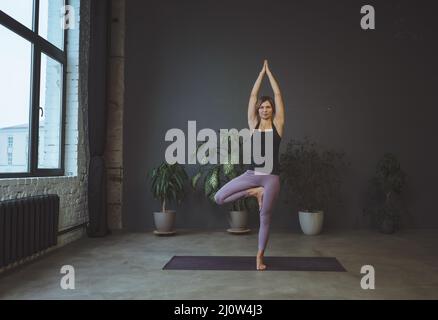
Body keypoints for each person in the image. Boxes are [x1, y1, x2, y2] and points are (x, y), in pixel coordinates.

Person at [214, 60, 285, 270]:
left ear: (273, 110)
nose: (264, 109)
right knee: (219, 198)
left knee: (265, 217)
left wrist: (270, 73)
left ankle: (259, 256)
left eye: (268, 107)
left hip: (271, 178)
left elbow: (279, 96)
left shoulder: (278, 125)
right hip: (252, 175)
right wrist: (260, 74)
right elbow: (252, 96)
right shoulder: (252, 124)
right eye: (261, 107)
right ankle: (254, 192)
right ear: (258, 110)